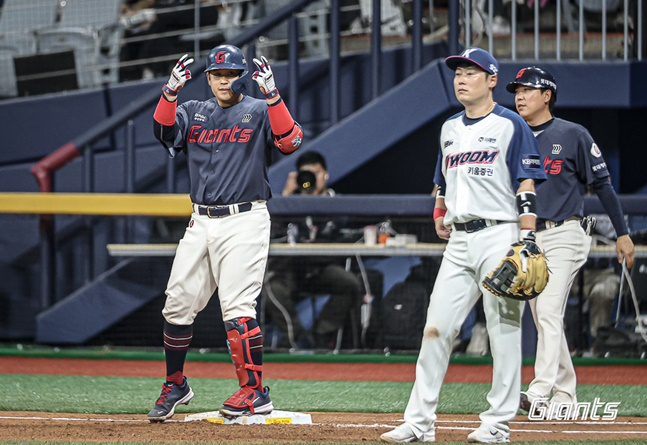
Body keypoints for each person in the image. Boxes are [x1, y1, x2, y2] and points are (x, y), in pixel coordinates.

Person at [380, 47, 546, 444]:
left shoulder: (510, 125)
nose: (461, 78)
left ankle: (497, 425)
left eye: (471, 72)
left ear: (491, 81)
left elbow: (526, 182)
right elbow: (442, 178)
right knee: (436, 328)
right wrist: (439, 211)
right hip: (459, 239)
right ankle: (419, 423)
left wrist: (528, 236)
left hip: (500, 233)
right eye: (458, 72)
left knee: (503, 331)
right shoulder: (449, 127)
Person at [146, 44, 304, 422]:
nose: (223, 80)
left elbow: (291, 141)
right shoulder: (193, 110)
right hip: (200, 220)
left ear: (242, 76)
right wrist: (169, 94)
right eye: (217, 75)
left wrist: (274, 96)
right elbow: (164, 132)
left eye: (230, 74)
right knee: (177, 303)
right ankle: (176, 384)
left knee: (237, 307)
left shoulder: (259, 109)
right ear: (209, 78)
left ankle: (254, 391)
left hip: (244, 218)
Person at [505, 66, 635, 417]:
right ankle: (565, 394)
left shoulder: (573, 134)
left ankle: (539, 391)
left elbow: (603, 185)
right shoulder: (510, 135)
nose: (519, 96)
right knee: (546, 318)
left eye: (527, 90)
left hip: (566, 232)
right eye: (516, 90)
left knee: (547, 312)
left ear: (547, 95)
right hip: (528, 238)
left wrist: (622, 233)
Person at [263, 151, 362, 349]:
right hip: (293, 268)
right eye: (305, 174)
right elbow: (274, 232)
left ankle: (321, 335)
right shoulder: (292, 202)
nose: (310, 179)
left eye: (315, 173)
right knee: (271, 288)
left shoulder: (338, 203)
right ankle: (299, 340)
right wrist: (286, 197)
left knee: (350, 284)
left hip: (323, 268)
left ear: (325, 174)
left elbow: (350, 234)